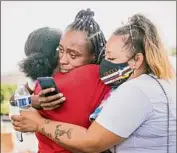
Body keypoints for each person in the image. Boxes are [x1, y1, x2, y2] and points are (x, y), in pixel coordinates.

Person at [12, 13, 176, 153]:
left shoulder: (135, 90)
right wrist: (32, 99)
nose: (63, 60)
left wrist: (38, 121)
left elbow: (91, 142)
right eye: (60, 51)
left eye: (111, 58)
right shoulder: (152, 83)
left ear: (137, 60)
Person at [11, 9, 111, 153]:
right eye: (61, 50)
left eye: (73, 54)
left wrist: (30, 100)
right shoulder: (99, 75)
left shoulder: (40, 86)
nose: (63, 60)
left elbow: (15, 98)